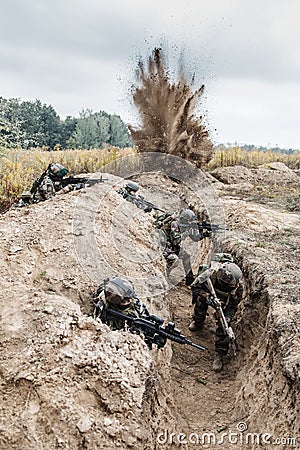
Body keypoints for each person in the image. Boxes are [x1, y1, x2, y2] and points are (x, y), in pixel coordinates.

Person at [189, 260, 243, 372]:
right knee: (200, 302)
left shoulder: (238, 289)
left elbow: (233, 306)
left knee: (225, 326)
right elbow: (195, 287)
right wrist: (207, 297)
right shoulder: (209, 274)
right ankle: (198, 321)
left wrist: (227, 317)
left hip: (224, 303)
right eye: (232, 284)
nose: (235, 286)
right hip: (208, 295)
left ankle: (220, 354)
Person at [154, 208, 210, 285]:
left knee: (186, 256)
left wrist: (204, 234)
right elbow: (175, 241)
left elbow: (195, 238)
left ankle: (190, 280)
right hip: (163, 246)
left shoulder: (187, 225)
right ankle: (164, 276)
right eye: (189, 220)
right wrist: (187, 232)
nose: (191, 222)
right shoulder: (175, 224)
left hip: (171, 246)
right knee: (174, 260)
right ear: (184, 220)